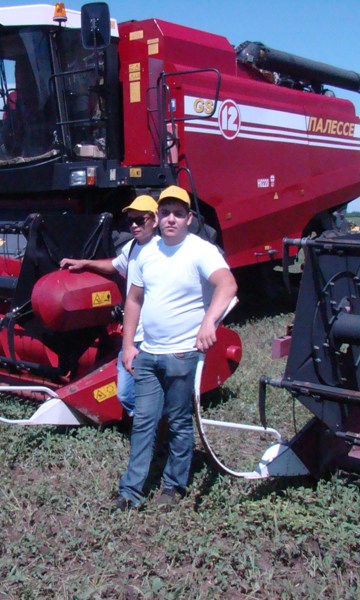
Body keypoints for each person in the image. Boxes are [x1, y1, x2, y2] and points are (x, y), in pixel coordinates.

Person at [115, 185, 237, 509]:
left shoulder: (199, 250)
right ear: (158, 217)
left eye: (178, 213)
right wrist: (128, 345)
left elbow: (227, 284)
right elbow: (134, 299)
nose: (171, 219)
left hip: (182, 354)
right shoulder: (144, 252)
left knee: (179, 421)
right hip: (148, 353)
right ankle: (131, 491)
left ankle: (173, 486)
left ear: (189, 218)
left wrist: (209, 321)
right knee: (142, 421)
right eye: (165, 212)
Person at [60, 195, 158, 417]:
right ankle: (150, 424)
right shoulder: (133, 247)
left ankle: (152, 431)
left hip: (155, 336)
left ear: (155, 220)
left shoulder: (163, 251)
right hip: (133, 334)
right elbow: (115, 265)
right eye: (130, 220)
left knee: (153, 389)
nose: (133, 225)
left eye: (140, 220)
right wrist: (85, 263)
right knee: (125, 393)